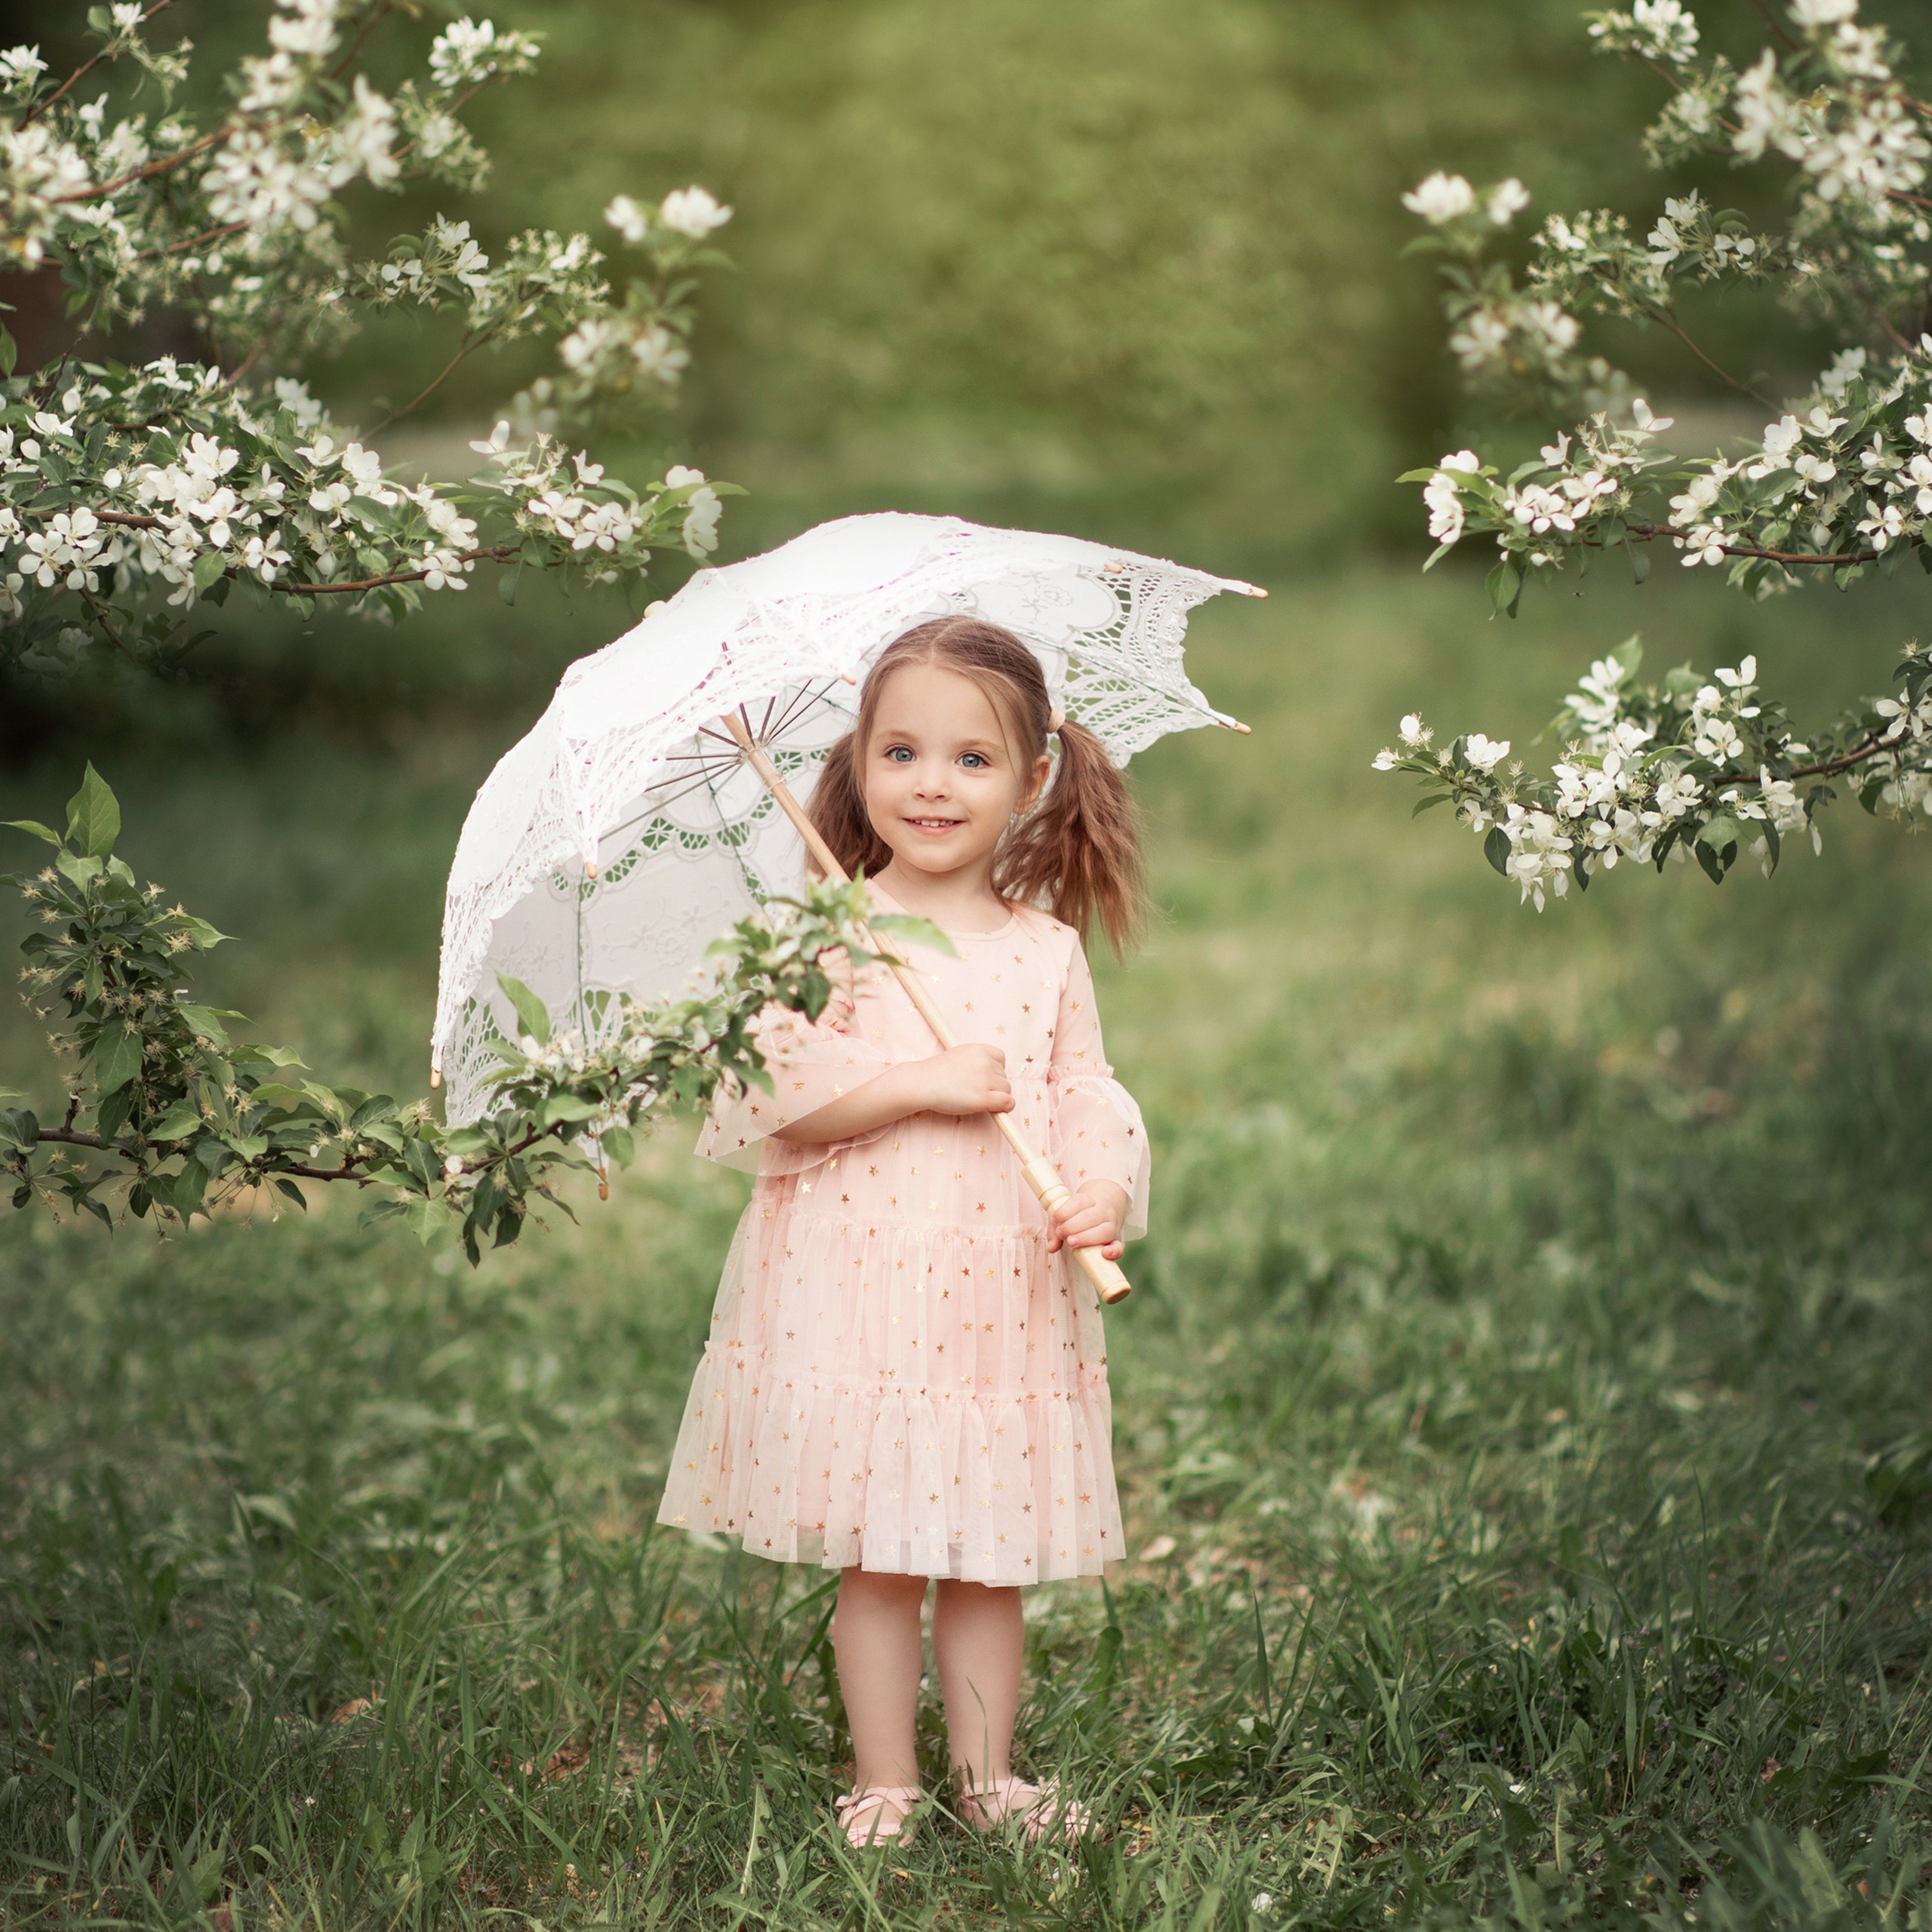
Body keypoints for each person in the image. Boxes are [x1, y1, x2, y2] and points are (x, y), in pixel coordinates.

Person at [657, 615, 1150, 1847]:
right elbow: (767, 1105)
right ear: (860, 763)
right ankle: (887, 1778)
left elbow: (1088, 1092)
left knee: (988, 1557)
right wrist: (918, 1086)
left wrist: (1102, 1188)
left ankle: (991, 1781)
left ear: (1035, 782)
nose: (933, 785)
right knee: (879, 1552)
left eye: (973, 761)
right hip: (856, 1287)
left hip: (996, 1290)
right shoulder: (823, 935)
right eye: (903, 753)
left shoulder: (1045, 950)